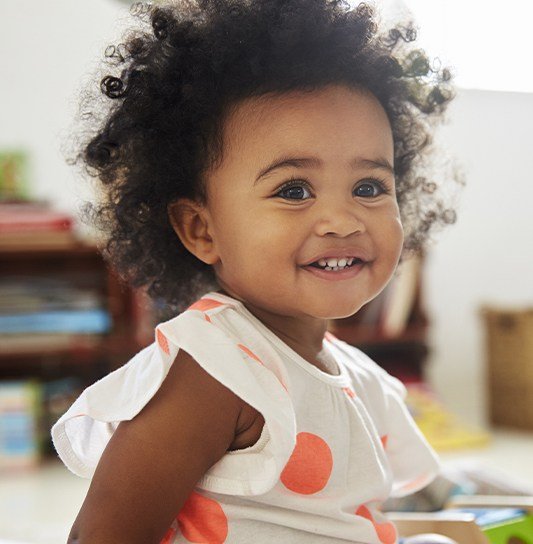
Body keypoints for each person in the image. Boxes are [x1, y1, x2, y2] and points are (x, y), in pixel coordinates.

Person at [52, 0, 462, 542]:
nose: (342, 220)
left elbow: (340, 523)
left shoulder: (360, 377)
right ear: (202, 230)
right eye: (294, 190)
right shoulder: (215, 371)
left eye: (369, 187)